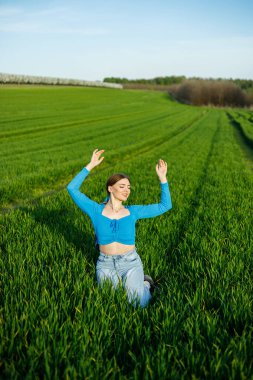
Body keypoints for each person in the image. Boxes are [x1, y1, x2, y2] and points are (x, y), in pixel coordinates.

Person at [67, 149, 172, 308]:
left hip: (130, 262)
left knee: (137, 304)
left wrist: (163, 179)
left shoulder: (132, 212)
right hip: (105, 264)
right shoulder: (95, 210)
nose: (127, 190)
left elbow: (165, 206)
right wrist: (90, 165)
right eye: (122, 186)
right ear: (110, 188)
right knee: (111, 304)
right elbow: (72, 188)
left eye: (128, 187)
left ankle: (146, 284)